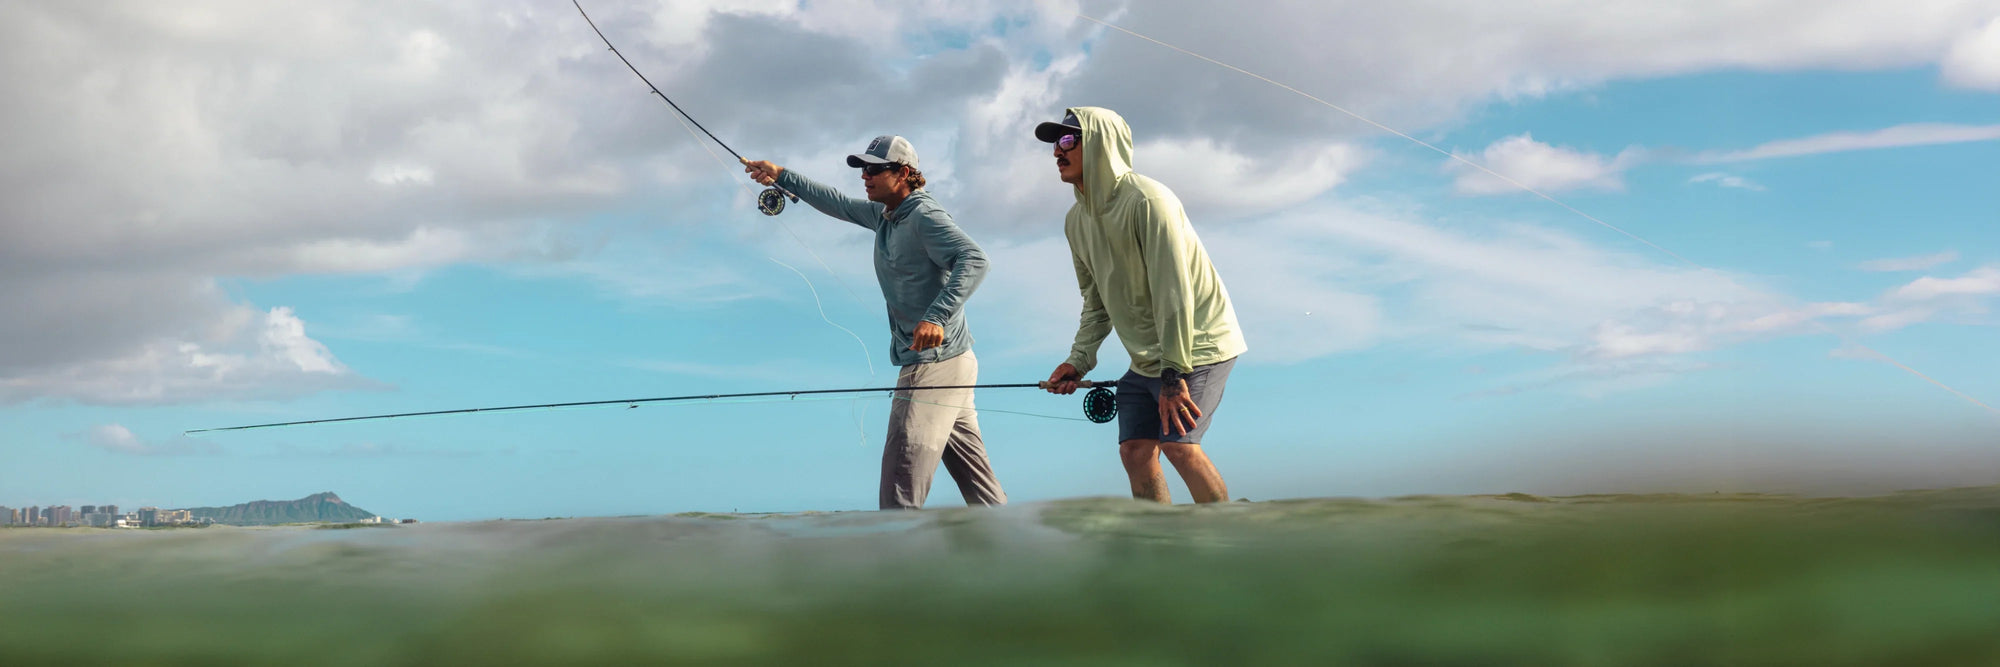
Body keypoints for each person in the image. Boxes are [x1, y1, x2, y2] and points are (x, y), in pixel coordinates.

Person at [742, 136, 1005, 510]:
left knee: (901, 485)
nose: (865, 176)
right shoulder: (885, 216)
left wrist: (936, 316)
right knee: (981, 491)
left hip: (933, 364)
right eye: (863, 169)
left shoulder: (923, 216)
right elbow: (836, 202)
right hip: (953, 362)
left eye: (875, 169)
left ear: (904, 173)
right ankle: (1018, 540)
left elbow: (975, 259)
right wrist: (782, 174)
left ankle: (896, 548)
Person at [1036, 108, 1247, 504]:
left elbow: (1174, 291)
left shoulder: (1149, 200)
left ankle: (1228, 529)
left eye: (1067, 140)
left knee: (1179, 446)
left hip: (1199, 346)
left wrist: (1172, 375)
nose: (1057, 152)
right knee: (1134, 451)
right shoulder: (1075, 221)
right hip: (1149, 358)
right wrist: (1078, 360)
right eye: (1055, 143)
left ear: (1100, 144)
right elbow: (1096, 302)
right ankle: (1160, 537)